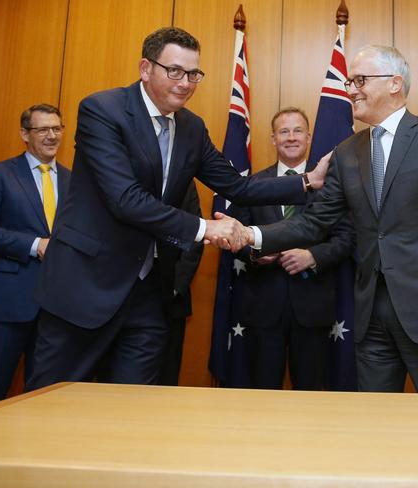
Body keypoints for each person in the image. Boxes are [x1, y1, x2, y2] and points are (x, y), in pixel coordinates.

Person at [27, 27, 328, 389]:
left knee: (133, 409)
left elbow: (237, 186)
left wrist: (308, 182)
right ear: (145, 68)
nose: (185, 83)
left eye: (194, 74)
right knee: (52, 407)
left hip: (149, 294)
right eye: (175, 71)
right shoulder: (102, 110)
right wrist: (206, 229)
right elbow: (125, 200)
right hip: (85, 287)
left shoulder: (192, 127)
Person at [236, 45, 418, 393]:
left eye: (360, 79)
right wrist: (250, 236)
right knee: (376, 426)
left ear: (395, 83)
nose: (351, 88)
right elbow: (315, 222)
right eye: (350, 80)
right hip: (371, 316)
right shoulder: (347, 152)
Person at [231, 107, 354, 390]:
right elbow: (236, 236)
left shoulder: (331, 187)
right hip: (263, 307)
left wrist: (313, 255)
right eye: (283, 132)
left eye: (297, 130)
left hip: (312, 308)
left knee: (310, 393)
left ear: (309, 137)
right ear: (273, 139)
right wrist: (255, 254)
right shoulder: (252, 186)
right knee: (261, 392)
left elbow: (347, 238)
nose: (291, 137)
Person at [0, 104, 71, 408]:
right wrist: (35, 244)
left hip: (56, 308)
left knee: (44, 400)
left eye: (57, 129)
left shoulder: (73, 180)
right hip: (6, 304)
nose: (52, 136)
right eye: (43, 130)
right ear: (24, 134)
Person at [157, 181, 204, 386]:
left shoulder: (183, 179)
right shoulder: (123, 171)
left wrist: (177, 285)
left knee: (167, 375)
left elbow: (195, 236)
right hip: (122, 294)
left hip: (171, 295)